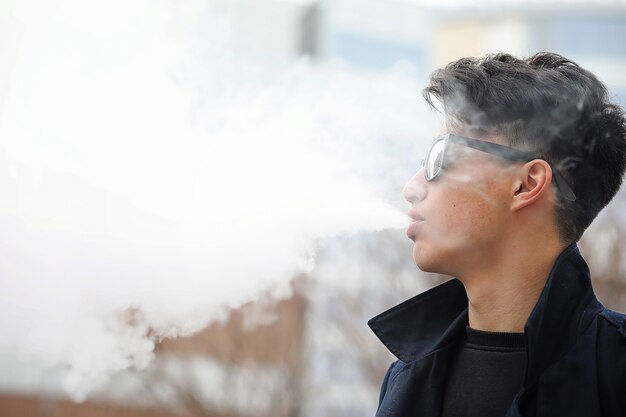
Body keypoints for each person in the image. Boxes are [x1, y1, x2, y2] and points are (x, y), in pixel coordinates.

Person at [368, 52, 626, 417]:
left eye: (440, 157)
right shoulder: (403, 377)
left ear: (526, 184)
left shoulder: (616, 371)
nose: (411, 187)